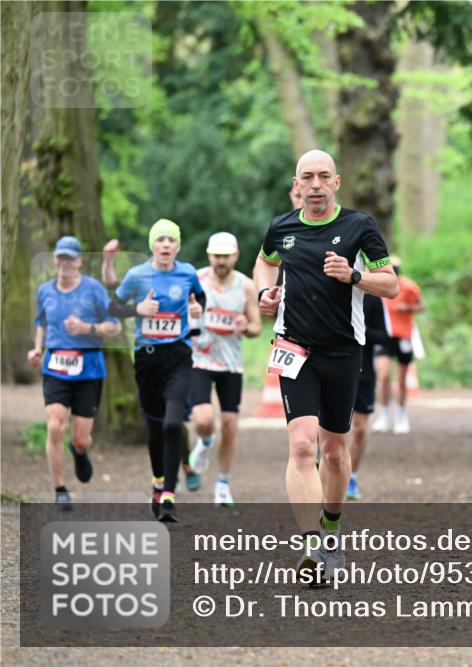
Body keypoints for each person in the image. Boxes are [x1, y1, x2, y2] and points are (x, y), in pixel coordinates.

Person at [254, 149, 398, 577]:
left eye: (323, 177)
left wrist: (353, 276)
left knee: (334, 452)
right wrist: (265, 293)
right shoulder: (281, 227)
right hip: (294, 347)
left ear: (336, 182)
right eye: (306, 178)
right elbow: (264, 261)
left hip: (342, 350)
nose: (314, 185)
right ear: (296, 185)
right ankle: (312, 546)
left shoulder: (359, 227)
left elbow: (389, 284)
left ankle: (332, 529)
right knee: (301, 445)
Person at [108, 219, 205, 522]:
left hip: (178, 356)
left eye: (171, 240)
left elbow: (199, 296)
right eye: (160, 239)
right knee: (155, 425)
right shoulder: (137, 276)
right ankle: (158, 483)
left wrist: (197, 309)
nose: (165, 245)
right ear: (153, 245)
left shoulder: (188, 272)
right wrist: (138, 310)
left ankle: (169, 497)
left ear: (177, 246)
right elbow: (114, 307)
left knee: (172, 424)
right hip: (147, 358)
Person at [29, 236, 122, 509]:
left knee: (81, 439)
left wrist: (87, 329)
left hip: (89, 369)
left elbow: (114, 326)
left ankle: (80, 452)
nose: (66, 263)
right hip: (56, 366)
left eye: (71, 258)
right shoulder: (45, 290)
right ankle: (60, 489)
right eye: (62, 257)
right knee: (55, 426)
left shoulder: (93, 289)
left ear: (80, 261)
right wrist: (37, 349)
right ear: (55, 260)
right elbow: (41, 323)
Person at [186, 232, 262, 507]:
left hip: (231, 363)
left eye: (225, 256)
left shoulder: (246, 286)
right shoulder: (195, 280)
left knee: (230, 426)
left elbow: (256, 325)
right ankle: (205, 444)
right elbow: (179, 316)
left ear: (235, 256)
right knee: (204, 420)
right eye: (216, 256)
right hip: (200, 360)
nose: (220, 261)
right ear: (209, 255)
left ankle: (222, 485)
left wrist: (246, 327)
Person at [372, 255, 424, 435]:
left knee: (402, 378)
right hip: (384, 335)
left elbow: (420, 306)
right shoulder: (378, 287)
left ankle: (401, 416)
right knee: (383, 375)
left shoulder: (409, 286)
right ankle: (384, 414)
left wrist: (407, 308)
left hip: (404, 335)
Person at [347, 293, 390, 500]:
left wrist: (361, 330)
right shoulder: (329, 288)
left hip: (363, 374)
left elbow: (384, 336)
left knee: (360, 429)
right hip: (333, 370)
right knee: (324, 431)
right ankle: (325, 470)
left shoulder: (372, 297)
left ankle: (352, 477)